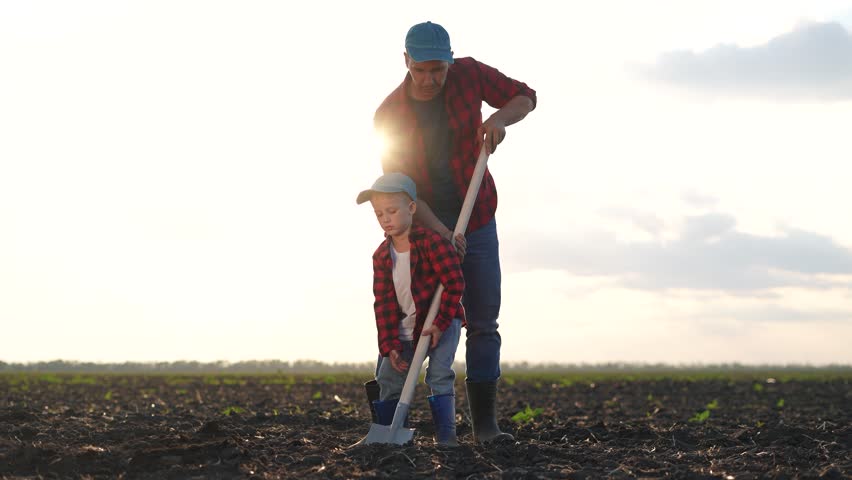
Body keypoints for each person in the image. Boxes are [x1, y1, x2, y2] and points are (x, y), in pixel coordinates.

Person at [371, 21, 537, 443]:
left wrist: (500, 118)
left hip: (476, 216)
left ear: (449, 63)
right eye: (421, 69)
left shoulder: (470, 74)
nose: (430, 79)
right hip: (423, 228)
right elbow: (404, 188)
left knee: (483, 322)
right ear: (406, 61)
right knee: (411, 320)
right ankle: (391, 423)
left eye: (437, 71)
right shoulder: (390, 116)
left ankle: (486, 427)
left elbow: (525, 97)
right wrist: (442, 232)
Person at [357, 172, 466, 447]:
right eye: (379, 213)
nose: (385, 218)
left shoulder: (432, 243)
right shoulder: (382, 255)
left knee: (439, 374)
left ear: (412, 208)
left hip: (441, 320)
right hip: (405, 326)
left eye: (392, 211)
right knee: (387, 377)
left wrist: (440, 323)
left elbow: (454, 284)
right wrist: (389, 343)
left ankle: (446, 438)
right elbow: (382, 304)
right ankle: (393, 437)